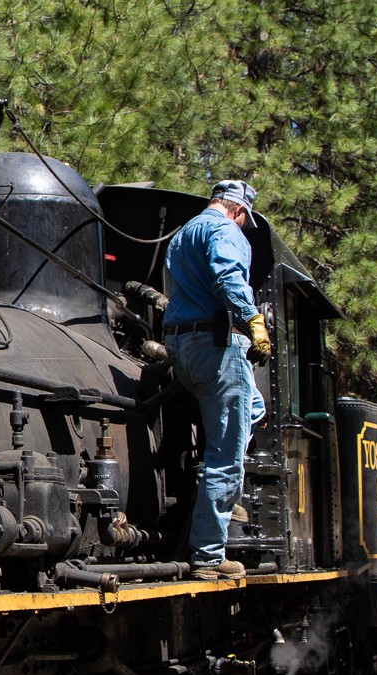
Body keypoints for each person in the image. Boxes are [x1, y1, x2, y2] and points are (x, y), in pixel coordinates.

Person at [162, 179, 271, 581]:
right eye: (246, 222)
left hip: (180, 347)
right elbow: (229, 279)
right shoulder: (226, 230)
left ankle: (228, 499)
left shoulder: (182, 233)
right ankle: (209, 556)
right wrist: (254, 323)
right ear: (239, 211)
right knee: (224, 456)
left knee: (251, 408)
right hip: (215, 345)